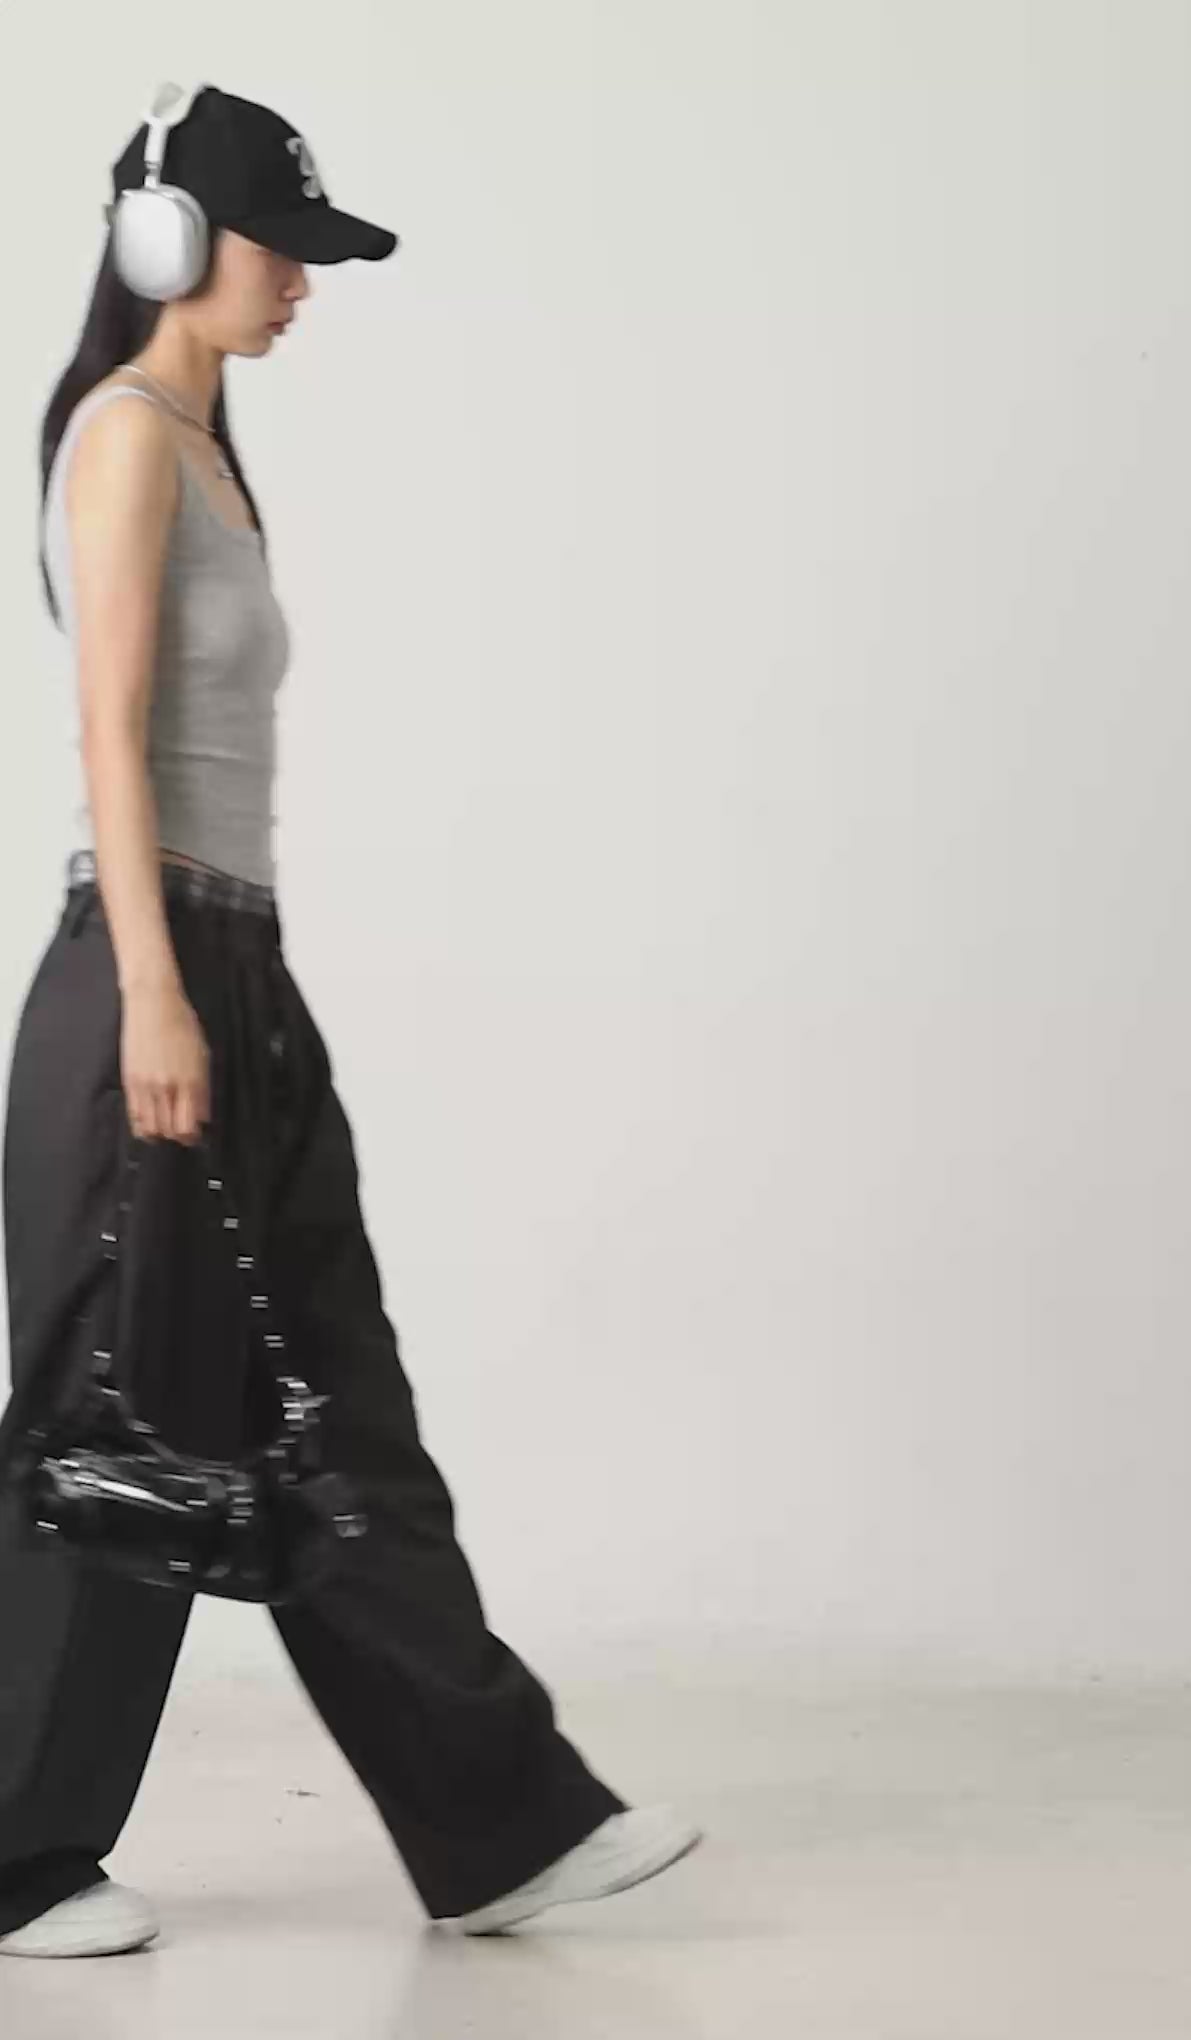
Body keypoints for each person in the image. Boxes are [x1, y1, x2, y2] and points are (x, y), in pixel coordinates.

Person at [0, 81, 701, 1959]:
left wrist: (229, 997)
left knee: (333, 1410)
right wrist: (157, 995)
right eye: (279, 245)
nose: (303, 280)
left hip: (238, 974)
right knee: (118, 1423)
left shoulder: (208, 451)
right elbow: (106, 742)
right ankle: (13, 1857)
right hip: (145, 975)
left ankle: (502, 1827)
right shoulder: (123, 438)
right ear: (165, 240)